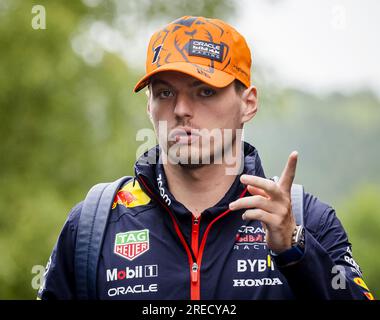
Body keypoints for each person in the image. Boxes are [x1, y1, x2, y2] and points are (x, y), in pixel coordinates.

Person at [38, 16, 374, 300]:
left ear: (249, 103)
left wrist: (295, 251)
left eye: (205, 91)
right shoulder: (93, 224)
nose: (182, 110)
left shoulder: (307, 218)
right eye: (165, 92)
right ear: (149, 106)